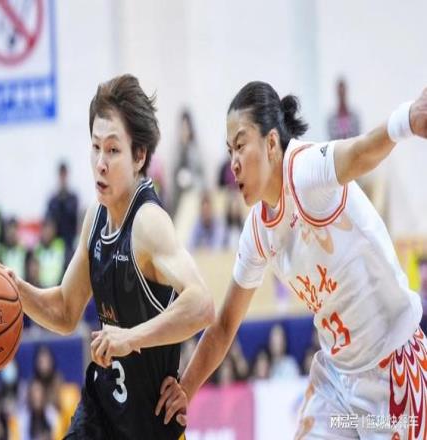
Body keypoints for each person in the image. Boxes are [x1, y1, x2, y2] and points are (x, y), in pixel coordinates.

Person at [157, 82, 427, 439]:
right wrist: (185, 391)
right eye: (229, 150)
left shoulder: (304, 170)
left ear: (271, 143)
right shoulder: (257, 230)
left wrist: (406, 119)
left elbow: (360, 152)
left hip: (391, 370)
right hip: (337, 381)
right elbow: (223, 327)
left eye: (241, 145)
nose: (233, 163)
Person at [0, 74, 214, 440]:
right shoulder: (95, 217)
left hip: (149, 426)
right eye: (96, 147)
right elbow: (66, 310)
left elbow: (202, 305)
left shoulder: (148, 222)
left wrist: (130, 338)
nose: (100, 162)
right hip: (100, 413)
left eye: (113, 150)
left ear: (139, 156)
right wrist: (15, 288)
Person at [46, 162, 79, 263]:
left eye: (64, 174)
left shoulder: (73, 198)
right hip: (56, 246)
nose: (63, 178)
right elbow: (49, 221)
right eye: (61, 174)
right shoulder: (53, 200)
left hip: (70, 243)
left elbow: (75, 219)